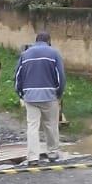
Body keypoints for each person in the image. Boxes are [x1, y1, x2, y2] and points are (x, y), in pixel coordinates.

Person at [15, 31, 65, 166]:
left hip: (30, 96)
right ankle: (53, 153)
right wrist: (58, 94)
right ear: (49, 41)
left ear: (36, 41)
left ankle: (33, 157)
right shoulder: (54, 53)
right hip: (49, 95)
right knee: (51, 124)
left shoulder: (25, 55)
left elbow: (18, 76)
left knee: (32, 126)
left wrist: (20, 93)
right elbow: (60, 77)